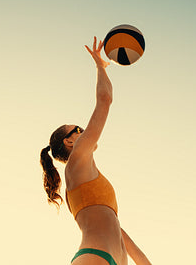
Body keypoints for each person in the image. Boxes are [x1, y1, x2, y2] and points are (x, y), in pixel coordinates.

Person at [40, 37, 152, 265]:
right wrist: (100, 67)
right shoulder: (76, 162)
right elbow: (105, 99)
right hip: (95, 257)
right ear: (69, 142)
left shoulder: (90, 180)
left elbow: (122, 237)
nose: (84, 130)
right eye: (78, 129)